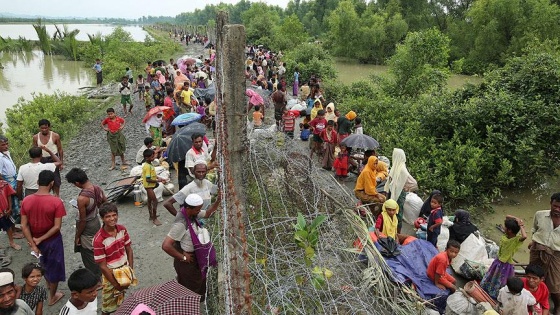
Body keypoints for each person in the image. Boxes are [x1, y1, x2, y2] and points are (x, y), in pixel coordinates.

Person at [20, 170, 66, 306]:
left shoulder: (27, 200)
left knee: (43, 263)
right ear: (52, 183)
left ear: (38, 182)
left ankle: (48, 285)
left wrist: (33, 243)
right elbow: (57, 227)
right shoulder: (56, 202)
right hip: (52, 240)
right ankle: (52, 296)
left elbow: (23, 225)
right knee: (55, 267)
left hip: (34, 238)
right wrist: (41, 239)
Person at [161, 194, 219, 301]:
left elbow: (207, 213)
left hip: (194, 257)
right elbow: (166, 245)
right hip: (187, 261)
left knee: (197, 281)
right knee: (189, 287)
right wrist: (183, 257)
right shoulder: (181, 224)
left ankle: (196, 301)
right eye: (197, 209)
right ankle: (189, 305)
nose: (199, 211)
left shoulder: (192, 215)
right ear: (188, 208)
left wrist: (219, 200)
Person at [93, 203, 135, 315]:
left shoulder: (122, 229)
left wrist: (130, 270)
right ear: (102, 219)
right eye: (108, 216)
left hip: (124, 269)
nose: (112, 219)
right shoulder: (98, 240)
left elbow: (129, 249)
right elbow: (102, 266)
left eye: (114, 215)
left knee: (120, 299)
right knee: (107, 305)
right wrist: (115, 284)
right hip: (110, 273)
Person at [65, 168, 106, 280]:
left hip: (87, 226)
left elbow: (83, 220)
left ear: (77, 183)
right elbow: (104, 203)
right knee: (98, 246)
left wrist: (77, 236)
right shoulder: (97, 188)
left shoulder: (82, 198)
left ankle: (97, 279)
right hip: (95, 221)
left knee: (88, 253)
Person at [480, 215, 527, 299]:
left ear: (509, 230)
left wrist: (521, 225)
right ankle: (489, 290)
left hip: (506, 264)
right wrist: (517, 219)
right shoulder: (505, 236)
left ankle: (496, 294)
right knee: (493, 276)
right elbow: (507, 216)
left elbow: (525, 236)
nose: (504, 228)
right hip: (498, 261)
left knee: (500, 280)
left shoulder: (515, 240)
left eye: (506, 228)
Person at [529, 192, 560, 315]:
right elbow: (534, 230)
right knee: (533, 277)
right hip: (538, 250)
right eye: (555, 206)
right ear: (550, 203)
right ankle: (534, 300)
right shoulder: (540, 214)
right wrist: (533, 242)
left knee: (554, 284)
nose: (557, 209)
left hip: (556, 254)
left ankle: (557, 306)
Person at [383, 148, 417, 232]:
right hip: (393, 192)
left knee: (397, 212)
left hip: (399, 194)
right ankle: (389, 229)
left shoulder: (402, 169)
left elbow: (414, 184)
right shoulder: (396, 166)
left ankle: (397, 232)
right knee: (389, 210)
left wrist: (405, 188)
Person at [32, 119, 64, 196]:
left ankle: (57, 196)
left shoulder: (55, 136)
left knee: (56, 179)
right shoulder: (36, 137)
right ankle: (45, 195)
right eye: (42, 128)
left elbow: (60, 149)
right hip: (42, 159)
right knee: (43, 178)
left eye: (46, 128)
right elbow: (34, 150)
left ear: (49, 127)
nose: (44, 130)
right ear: (39, 128)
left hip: (53, 158)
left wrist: (61, 162)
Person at [142, 149, 166, 226]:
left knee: (149, 200)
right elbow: (148, 179)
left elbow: (153, 175)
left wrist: (160, 178)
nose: (153, 158)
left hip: (150, 186)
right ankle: (154, 218)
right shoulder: (147, 167)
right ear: (147, 158)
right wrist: (157, 181)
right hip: (148, 186)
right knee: (155, 201)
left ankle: (151, 215)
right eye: (152, 157)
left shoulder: (150, 164)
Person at [0, 136, 21, 223]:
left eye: (6, 144)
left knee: (16, 202)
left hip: (13, 180)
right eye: (3, 145)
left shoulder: (6, 153)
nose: (6, 146)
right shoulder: (0, 157)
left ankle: (14, 227)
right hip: (8, 183)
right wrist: (7, 185)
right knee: (10, 204)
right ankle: (12, 229)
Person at [0, 179, 21, 251]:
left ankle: (12, 243)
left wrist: (10, 207)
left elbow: (9, 195)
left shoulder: (4, 184)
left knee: (8, 227)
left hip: (5, 211)